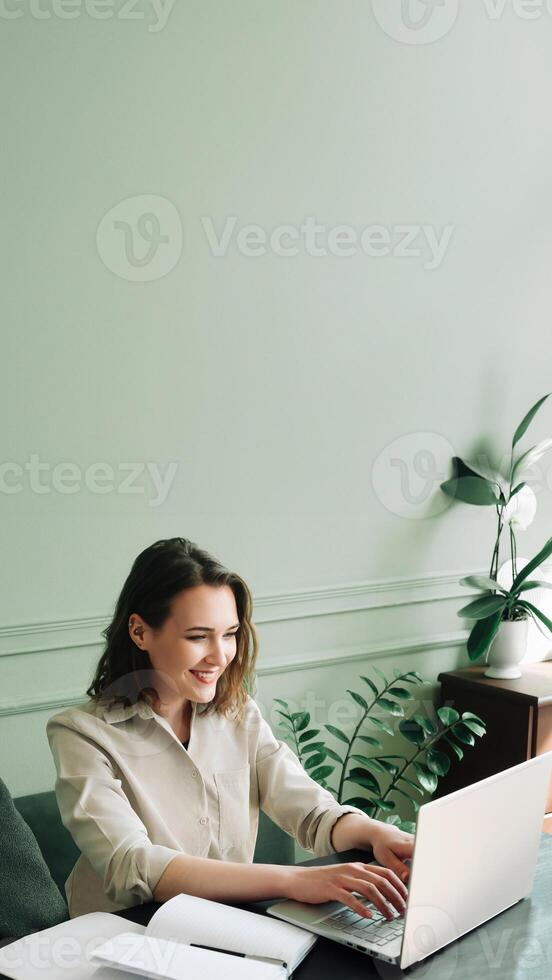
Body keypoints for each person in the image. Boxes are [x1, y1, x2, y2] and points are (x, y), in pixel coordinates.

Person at [47, 538, 414, 920]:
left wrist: (375, 833)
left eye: (230, 633)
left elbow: (309, 811)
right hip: (125, 936)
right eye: (197, 636)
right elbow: (133, 864)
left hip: (227, 925)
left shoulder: (239, 714)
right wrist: (294, 881)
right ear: (139, 632)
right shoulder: (80, 733)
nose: (220, 655)